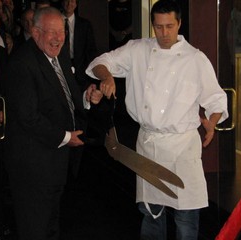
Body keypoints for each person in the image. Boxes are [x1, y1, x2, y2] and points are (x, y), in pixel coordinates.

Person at [86, 0, 228, 239]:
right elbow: (99, 62)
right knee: (151, 215)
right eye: (159, 27)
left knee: (186, 218)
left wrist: (211, 123)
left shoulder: (195, 59)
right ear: (152, 25)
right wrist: (107, 76)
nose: (164, 33)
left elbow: (216, 98)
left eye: (169, 26)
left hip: (183, 148)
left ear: (179, 24)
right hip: (149, 144)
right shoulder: (137, 49)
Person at [4, 7, 103, 240]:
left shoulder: (59, 56)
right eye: (52, 32)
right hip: (33, 167)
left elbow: (66, 95)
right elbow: (28, 117)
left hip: (53, 165)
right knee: (35, 229)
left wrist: (85, 97)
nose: (59, 38)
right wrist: (67, 137)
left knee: (50, 227)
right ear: (36, 32)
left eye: (62, 32)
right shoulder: (22, 63)